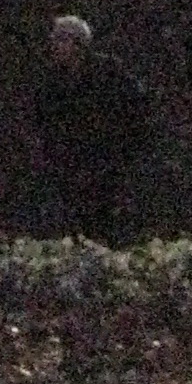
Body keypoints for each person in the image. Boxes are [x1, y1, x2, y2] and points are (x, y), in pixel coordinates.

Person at [30, 13, 148, 240]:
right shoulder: (53, 82)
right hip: (68, 169)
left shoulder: (110, 73)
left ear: (77, 43)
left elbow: (136, 112)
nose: (55, 46)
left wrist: (123, 152)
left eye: (61, 40)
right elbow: (45, 122)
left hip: (107, 166)